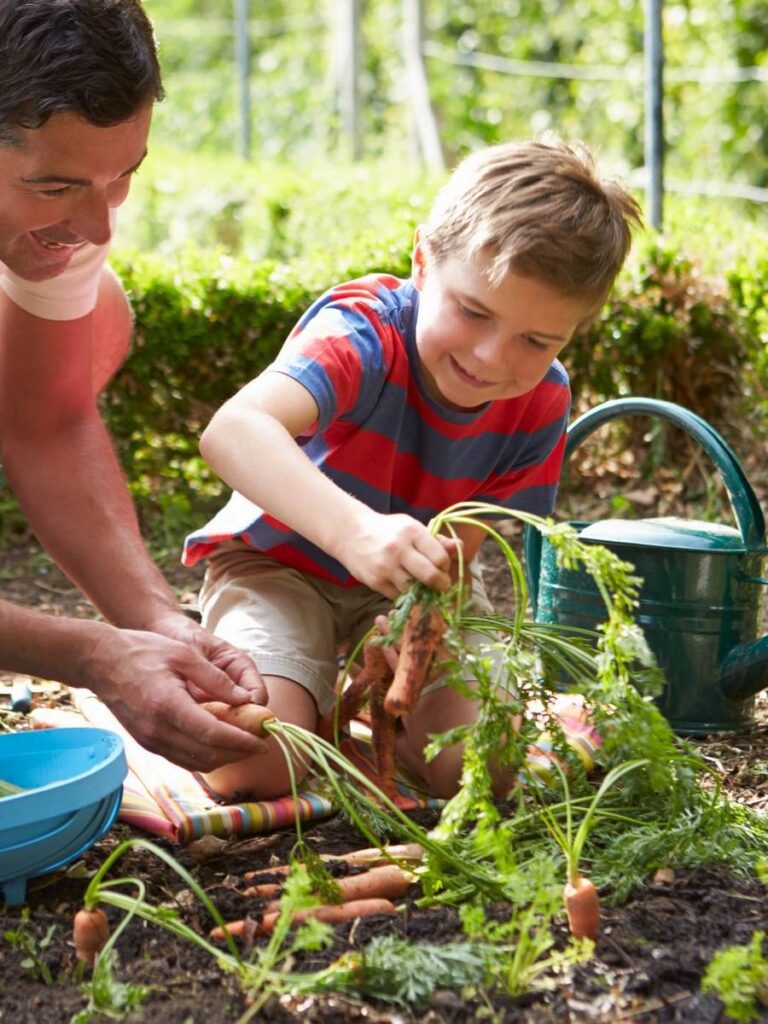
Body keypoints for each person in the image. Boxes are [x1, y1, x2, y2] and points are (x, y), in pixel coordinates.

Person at [182, 137, 643, 799]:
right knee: (253, 763)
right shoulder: (364, 334)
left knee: (477, 770)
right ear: (422, 262)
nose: (491, 356)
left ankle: (353, 707)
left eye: (537, 341)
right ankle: (298, 695)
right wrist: (355, 535)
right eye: (473, 311)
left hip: (412, 590)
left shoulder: (542, 403)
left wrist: (416, 623)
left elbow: (461, 552)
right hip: (280, 564)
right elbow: (233, 431)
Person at [0, 0, 269, 772]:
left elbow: (48, 422)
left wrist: (156, 623)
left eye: (122, 176)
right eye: (55, 187)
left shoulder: (70, 206)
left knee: (96, 316)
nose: (99, 226)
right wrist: (92, 656)